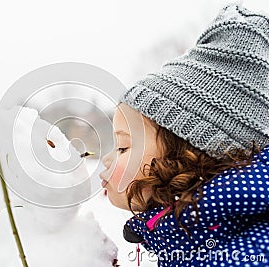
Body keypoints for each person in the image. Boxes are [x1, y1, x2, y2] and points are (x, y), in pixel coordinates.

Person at [99, 4, 269, 267]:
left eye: (123, 146)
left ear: (189, 154)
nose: (107, 159)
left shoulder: (247, 254)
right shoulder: (195, 235)